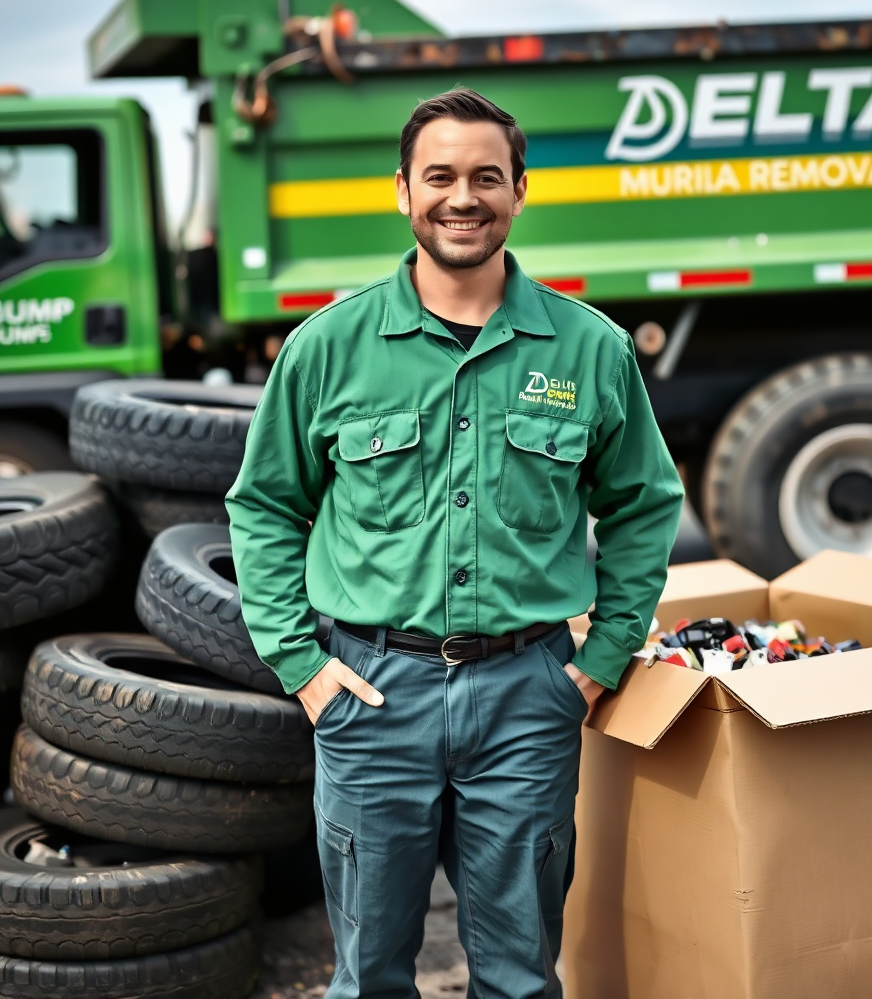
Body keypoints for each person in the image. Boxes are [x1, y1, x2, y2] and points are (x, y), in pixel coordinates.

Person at [226, 87, 683, 999]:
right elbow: (266, 507)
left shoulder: (588, 351)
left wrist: (604, 656)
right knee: (369, 981)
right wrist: (303, 668)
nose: (462, 197)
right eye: (439, 176)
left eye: (486, 177)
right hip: (369, 696)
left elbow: (643, 504)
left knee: (518, 979)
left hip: (528, 700)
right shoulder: (328, 349)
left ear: (520, 191)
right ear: (402, 191)